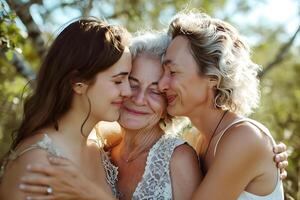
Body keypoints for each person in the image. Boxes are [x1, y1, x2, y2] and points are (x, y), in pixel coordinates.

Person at [18, 30, 288, 200]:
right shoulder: (199, 139)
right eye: (131, 83)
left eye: (162, 84)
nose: (137, 98)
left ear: (212, 79)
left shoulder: (219, 144)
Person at [0, 18, 132, 199]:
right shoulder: (39, 165)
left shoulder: (100, 139)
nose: (128, 91)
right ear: (77, 83)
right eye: (118, 80)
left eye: (129, 80)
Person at [158, 11, 285, 199]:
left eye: (173, 72)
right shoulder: (194, 140)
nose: (161, 85)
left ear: (212, 77)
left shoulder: (245, 137)